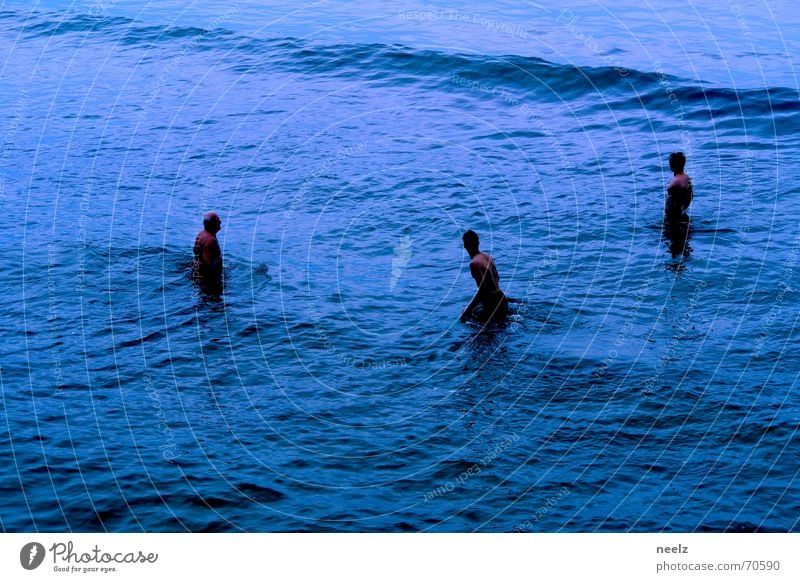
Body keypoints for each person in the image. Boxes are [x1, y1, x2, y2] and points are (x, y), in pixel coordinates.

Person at [460, 230, 509, 323]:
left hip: (491, 303)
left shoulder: (474, 263)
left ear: (465, 245)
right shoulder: (488, 257)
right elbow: (497, 278)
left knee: (484, 335)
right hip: (502, 298)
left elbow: (483, 290)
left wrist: (467, 310)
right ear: (478, 242)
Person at [193, 211, 223, 280]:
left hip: (198, 269)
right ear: (212, 224)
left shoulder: (200, 234)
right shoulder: (211, 240)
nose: (220, 222)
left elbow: (195, 251)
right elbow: (207, 262)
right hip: (207, 276)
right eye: (217, 220)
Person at [664, 152, 693, 224]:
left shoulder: (677, 181)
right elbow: (690, 196)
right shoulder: (686, 178)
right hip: (681, 213)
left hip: (673, 217)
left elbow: (676, 199)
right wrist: (683, 209)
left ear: (672, 165)